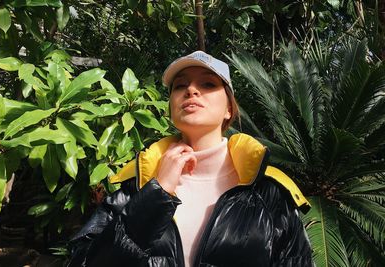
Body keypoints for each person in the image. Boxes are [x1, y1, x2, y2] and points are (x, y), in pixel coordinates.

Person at [67, 51, 314, 267]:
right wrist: (156, 194)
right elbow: (83, 261)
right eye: (180, 86)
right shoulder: (139, 183)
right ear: (171, 106)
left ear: (229, 108)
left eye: (207, 84)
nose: (191, 90)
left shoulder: (267, 189)